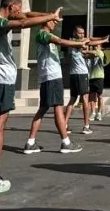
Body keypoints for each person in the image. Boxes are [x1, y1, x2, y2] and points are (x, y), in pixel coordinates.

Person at [0, 0, 62, 197]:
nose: (20, 11)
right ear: (11, 6)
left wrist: (49, 14)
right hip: (0, 80)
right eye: (18, 7)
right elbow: (23, 23)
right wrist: (49, 18)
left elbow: (26, 15)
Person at [23, 17, 88, 155]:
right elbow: (60, 41)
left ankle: (30, 142)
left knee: (43, 109)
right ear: (46, 21)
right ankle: (66, 142)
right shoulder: (43, 34)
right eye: (53, 21)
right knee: (58, 108)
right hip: (52, 77)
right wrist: (78, 44)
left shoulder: (46, 36)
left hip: (49, 77)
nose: (55, 24)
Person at [87, 43, 107, 121]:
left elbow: (91, 52)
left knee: (99, 96)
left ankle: (99, 113)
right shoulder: (92, 55)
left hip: (99, 77)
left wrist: (85, 51)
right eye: (94, 46)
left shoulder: (100, 53)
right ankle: (93, 113)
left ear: (100, 47)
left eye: (97, 46)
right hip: (91, 77)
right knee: (92, 96)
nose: (95, 47)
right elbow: (85, 56)